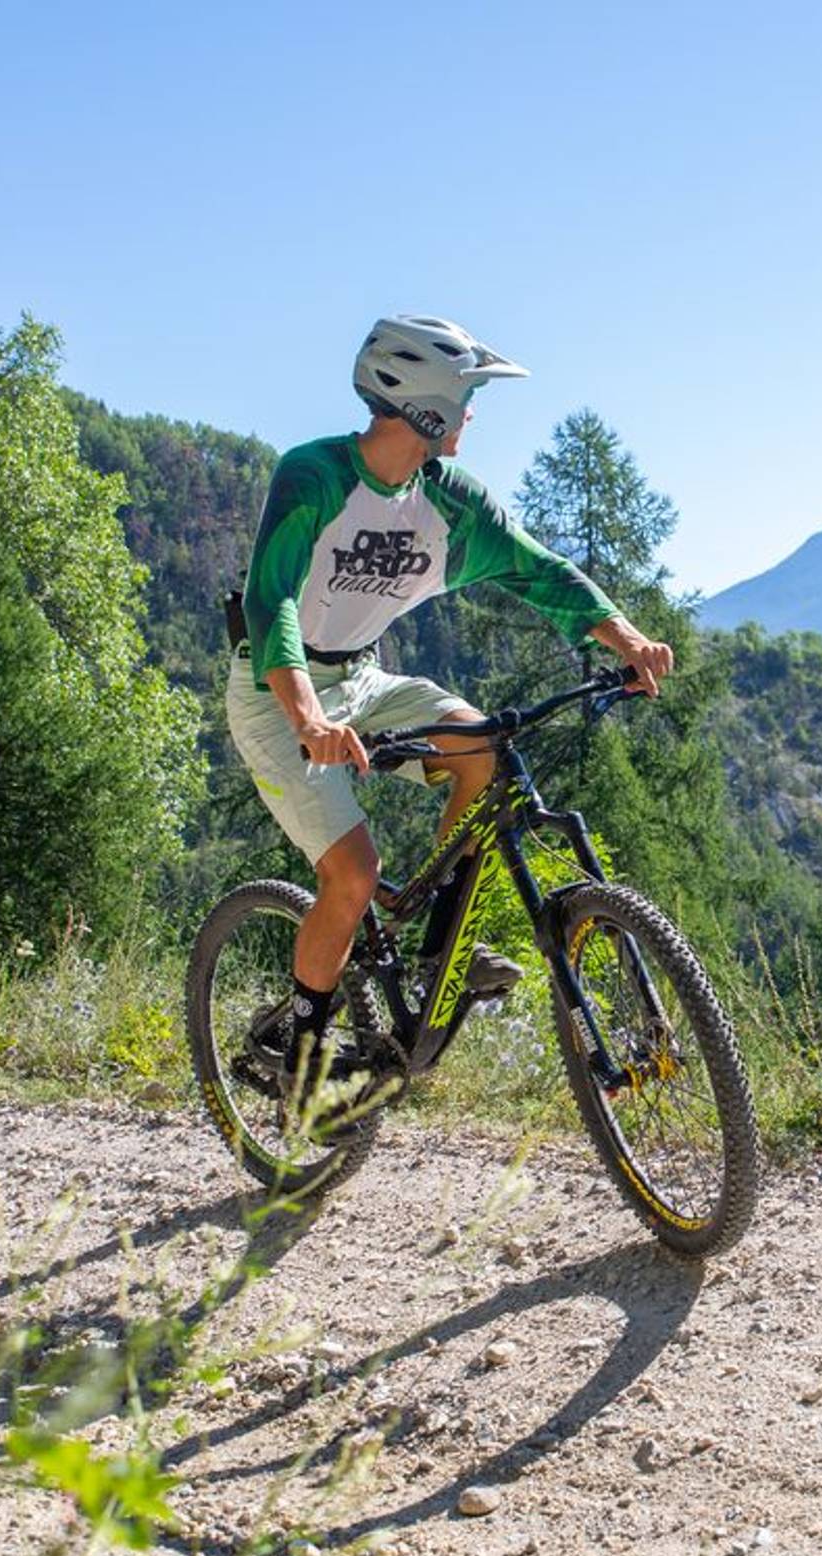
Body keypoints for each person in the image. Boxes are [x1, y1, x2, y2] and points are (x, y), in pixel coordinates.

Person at [228, 314, 675, 1107]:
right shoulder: (316, 478)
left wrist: (626, 637)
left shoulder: (446, 504)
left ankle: (440, 957)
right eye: (466, 398)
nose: (473, 414)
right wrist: (306, 717)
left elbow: (541, 573)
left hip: (363, 684)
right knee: (354, 872)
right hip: (276, 696)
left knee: (482, 752)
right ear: (427, 406)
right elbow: (273, 605)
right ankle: (300, 1044)